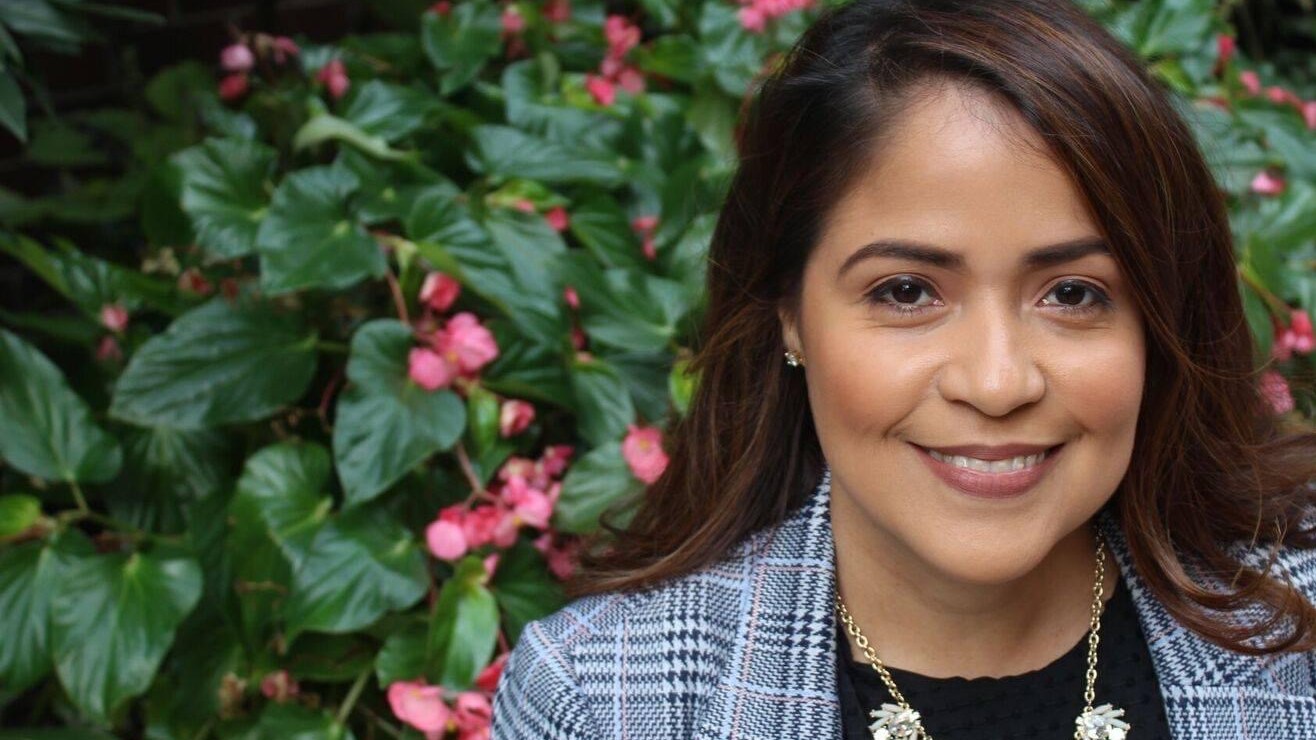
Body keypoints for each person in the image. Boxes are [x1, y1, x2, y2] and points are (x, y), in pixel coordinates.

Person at [490, 0, 1316, 737]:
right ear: (789, 311)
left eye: (1072, 293)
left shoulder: (1296, 636)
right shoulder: (602, 698)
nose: (997, 383)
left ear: (1157, 321)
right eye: (907, 291)